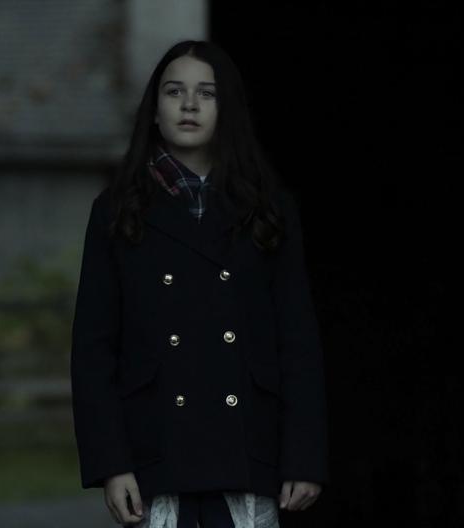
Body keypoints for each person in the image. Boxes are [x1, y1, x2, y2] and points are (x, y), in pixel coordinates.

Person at [69, 40, 330, 528]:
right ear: (154, 110)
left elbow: (297, 343)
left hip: (248, 445)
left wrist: (303, 459)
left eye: (206, 93)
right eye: (175, 91)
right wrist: (111, 464)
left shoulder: (269, 209)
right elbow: (93, 350)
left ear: (226, 109)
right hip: (156, 447)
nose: (189, 104)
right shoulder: (116, 209)